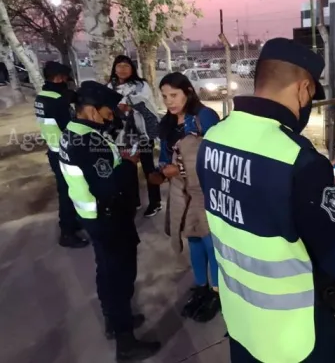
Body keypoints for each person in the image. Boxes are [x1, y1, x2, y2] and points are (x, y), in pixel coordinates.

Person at [197, 38, 335, 363]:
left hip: (242, 323)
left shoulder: (213, 139)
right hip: (296, 338)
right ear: (304, 89)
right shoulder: (299, 161)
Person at [58, 81, 160, 361]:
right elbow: (108, 188)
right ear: (90, 110)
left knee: (105, 268)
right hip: (108, 217)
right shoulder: (89, 141)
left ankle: (114, 322)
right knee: (119, 275)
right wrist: (129, 164)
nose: (111, 116)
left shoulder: (72, 132)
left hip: (91, 215)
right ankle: (125, 342)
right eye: (107, 111)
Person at [148, 72, 221, 322]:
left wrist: (179, 169)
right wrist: (162, 172)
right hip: (180, 190)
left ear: (188, 92)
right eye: (165, 96)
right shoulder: (168, 123)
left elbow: (215, 157)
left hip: (205, 191)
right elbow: (166, 158)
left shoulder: (204, 117)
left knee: (211, 243)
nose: (169, 101)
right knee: (193, 239)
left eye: (174, 95)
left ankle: (217, 292)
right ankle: (201, 286)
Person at [34, 61, 89, 248]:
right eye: (65, 78)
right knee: (68, 192)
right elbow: (71, 127)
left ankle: (72, 222)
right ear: (59, 78)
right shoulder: (57, 99)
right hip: (64, 152)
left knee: (66, 189)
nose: (67, 82)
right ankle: (67, 232)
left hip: (54, 149)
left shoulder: (42, 96)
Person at [108, 55, 162, 217]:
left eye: (126, 66)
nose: (122, 69)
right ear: (114, 68)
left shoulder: (141, 85)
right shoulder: (110, 86)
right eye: (119, 66)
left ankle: (155, 202)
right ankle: (134, 200)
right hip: (121, 135)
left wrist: (125, 104)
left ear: (132, 69)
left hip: (142, 132)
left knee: (148, 168)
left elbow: (143, 103)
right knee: (127, 169)